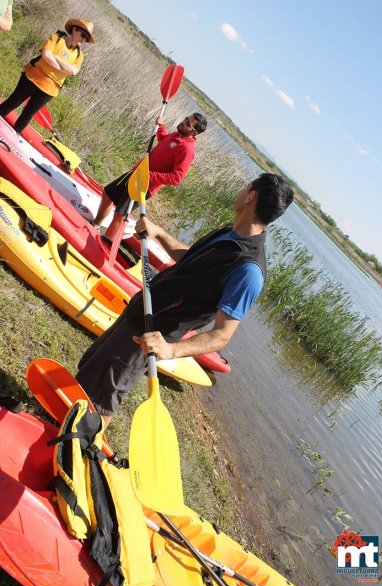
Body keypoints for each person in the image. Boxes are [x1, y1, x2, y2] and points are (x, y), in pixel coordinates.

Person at [76, 173, 294, 428]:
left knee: (102, 397)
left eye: (246, 186)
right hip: (140, 310)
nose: (241, 189)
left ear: (251, 196)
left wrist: (171, 350)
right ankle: (65, 418)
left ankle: (85, 446)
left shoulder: (249, 270)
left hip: (151, 333)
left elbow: (222, 335)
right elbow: (191, 259)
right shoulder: (230, 234)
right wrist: (159, 233)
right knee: (90, 371)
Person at [92, 112, 207, 239]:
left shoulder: (187, 149)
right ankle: (96, 224)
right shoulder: (177, 134)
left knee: (120, 213)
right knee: (108, 194)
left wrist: (149, 176)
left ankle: (105, 242)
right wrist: (161, 127)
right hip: (137, 172)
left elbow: (176, 178)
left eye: (188, 123)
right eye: (186, 118)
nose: (183, 122)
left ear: (194, 132)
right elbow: (164, 141)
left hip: (144, 184)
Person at [0, 19, 95, 133]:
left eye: (87, 38)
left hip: (49, 90)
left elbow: (73, 71)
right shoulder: (57, 37)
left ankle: (11, 139)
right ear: (74, 29)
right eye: (83, 35)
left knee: (27, 115)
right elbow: (46, 55)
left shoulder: (79, 55)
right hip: (33, 77)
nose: (84, 40)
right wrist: (62, 69)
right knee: (13, 102)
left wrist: (57, 58)